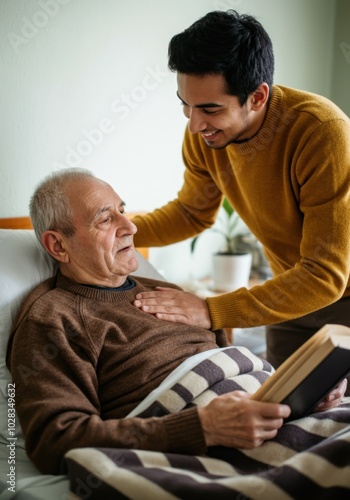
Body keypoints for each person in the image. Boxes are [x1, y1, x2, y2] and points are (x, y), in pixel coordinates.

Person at [6, 169, 346, 475]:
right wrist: (200, 429)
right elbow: (55, 440)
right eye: (105, 219)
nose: (131, 227)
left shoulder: (168, 292)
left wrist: (299, 399)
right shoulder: (53, 319)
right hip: (212, 449)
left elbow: (232, 374)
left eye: (122, 210)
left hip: (269, 422)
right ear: (58, 245)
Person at [131, 9, 350, 371]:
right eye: (185, 105)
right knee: (283, 413)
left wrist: (210, 310)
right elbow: (191, 213)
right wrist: (121, 231)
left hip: (339, 293)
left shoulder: (321, 133)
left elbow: (325, 274)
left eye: (210, 109)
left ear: (259, 96)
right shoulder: (206, 137)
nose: (195, 125)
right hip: (290, 296)